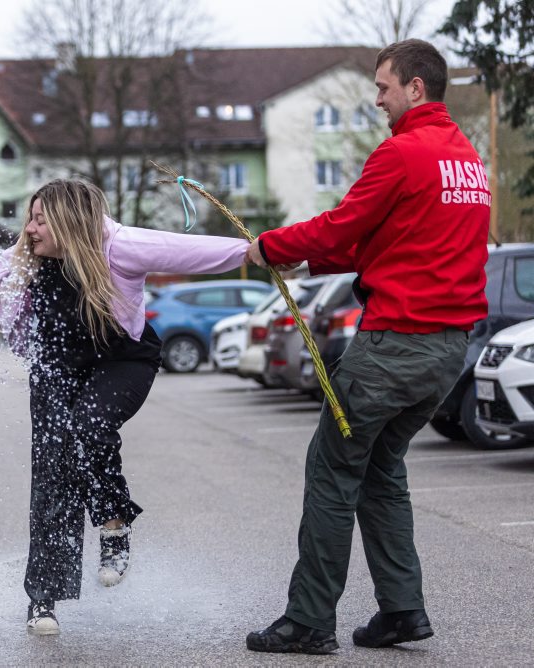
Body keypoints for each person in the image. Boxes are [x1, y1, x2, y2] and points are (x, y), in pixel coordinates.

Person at [0, 179, 248, 634]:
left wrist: (255, 252)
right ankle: (44, 599)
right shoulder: (23, 259)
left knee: (90, 427)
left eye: (40, 219)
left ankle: (113, 525)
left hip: (122, 360)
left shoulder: (120, 247)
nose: (30, 229)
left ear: (69, 222)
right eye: (29, 218)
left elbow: (189, 250)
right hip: (56, 370)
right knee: (54, 471)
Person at [244, 39, 490, 654]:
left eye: (383, 88)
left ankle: (307, 622)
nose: (377, 100)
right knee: (381, 471)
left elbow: (345, 223)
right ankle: (402, 611)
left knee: (332, 470)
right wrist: (312, 258)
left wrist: (272, 246)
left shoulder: (403, 152)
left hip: (394, 345)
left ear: (416, 88)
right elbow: (383, 240)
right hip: (444, 353)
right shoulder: (466, 158)